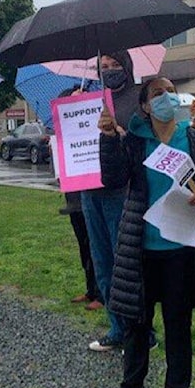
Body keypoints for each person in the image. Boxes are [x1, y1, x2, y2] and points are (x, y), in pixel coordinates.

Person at [99, 76, 195, 388]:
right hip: (140, 248)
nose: (166, 97)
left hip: (181, 251)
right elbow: (113, 178)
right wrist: (107, 140)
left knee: (177, 327)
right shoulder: (133, 142)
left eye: (169, 91)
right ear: (145, 107)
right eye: (156, 94)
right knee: (137, 326)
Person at [80, 52, 154, 351]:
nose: (109, 71)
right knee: (102, 263)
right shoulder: (86, 98)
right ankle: (117, 328)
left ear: (128, 67)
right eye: (103, 67)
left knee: (127, 265)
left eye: (115, 66)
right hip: (89, 190)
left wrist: (122, 136)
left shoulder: (139, 100)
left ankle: (142, 331)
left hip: (123, 192)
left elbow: (150, 143)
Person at [59, 190, 102, 310]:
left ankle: (101, 294)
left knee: (95, 248)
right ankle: (91, 291)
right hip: (74, 205)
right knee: (84, 250)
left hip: (89, 201)